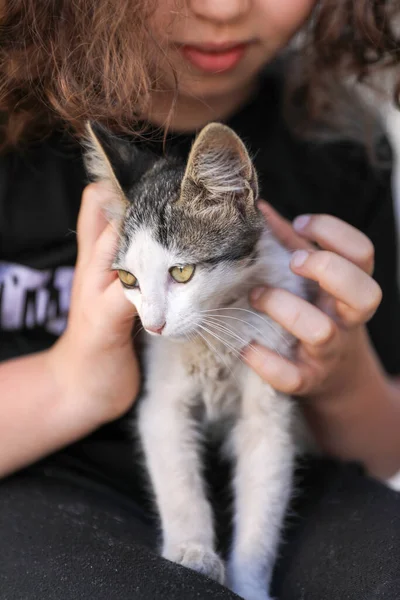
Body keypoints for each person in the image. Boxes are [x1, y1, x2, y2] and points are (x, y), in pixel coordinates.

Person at [1, 1, 400, 598]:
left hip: (301, 484)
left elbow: (387, 446)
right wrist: (71, 380)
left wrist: (342, 379)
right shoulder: (17, 137)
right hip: (50, 480)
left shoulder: (339, 146)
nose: (225, 7)